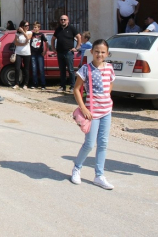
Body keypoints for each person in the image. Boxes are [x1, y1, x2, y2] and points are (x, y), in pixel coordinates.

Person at [71, 39, 116, 190]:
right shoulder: (85, 69)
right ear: (92, 52)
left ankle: (99, 175)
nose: (100, 54)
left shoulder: (109, 68)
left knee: (103, 143)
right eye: (97, 51)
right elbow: (76, 89)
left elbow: (110, 85)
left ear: (107, 53)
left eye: (103, 52)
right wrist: (83, 108)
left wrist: (105, 100)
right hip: (92, 113)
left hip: (106, 112)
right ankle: (77, 168)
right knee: (89, 144)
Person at [51, 15, 81, 92]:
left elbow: (79, 37)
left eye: (64, 19)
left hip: (69, 52)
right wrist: (53, 48)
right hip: (60, 52)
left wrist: (77, 48)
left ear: (68, 20)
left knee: (71, 70)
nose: (63, 21)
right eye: (61, 20)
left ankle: (72, 87)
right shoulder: (58, 29)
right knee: (62, 70)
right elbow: (53, 39)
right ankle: (62, 86)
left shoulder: (72, 29)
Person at [12, 20, 32, 90]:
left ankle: (25, 84)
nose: (27, 27)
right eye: (26, 26)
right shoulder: (17, 33)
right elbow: (16, 43)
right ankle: (16, 83)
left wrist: (23, 32)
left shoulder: (29, 32)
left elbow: (28, 38)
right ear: (22, 26)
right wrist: (23, 44)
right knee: (17, 68)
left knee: (26, 69)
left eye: (28, 25)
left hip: (27, 53)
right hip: (18, 53)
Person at [30, 21, 47, 89]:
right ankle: (35, 83)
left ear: (39, 28)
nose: (34, 28)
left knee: (41, 69)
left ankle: (43, 84)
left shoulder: (41, 35)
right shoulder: (31, 34)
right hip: (33, 54)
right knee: (34, 69)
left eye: (35, 27)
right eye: (33, 27)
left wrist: (45, 51)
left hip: (40, 54)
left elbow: (46, 42)